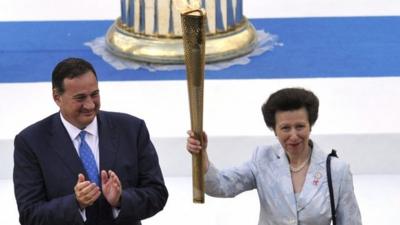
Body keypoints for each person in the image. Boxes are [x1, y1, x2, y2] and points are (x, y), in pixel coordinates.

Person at [13, 57, 168, 225]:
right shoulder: (31, 142)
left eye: (94, 94)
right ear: (57, 98)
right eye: (80, 98)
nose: (89, 105)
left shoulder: (132, 129)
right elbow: (29, 215)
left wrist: (121, 200)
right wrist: (76, 203)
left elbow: (157, 194)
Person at [186, 87, 362, 225]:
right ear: (274, 130)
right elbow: (221, 186)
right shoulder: (262, 159)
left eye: (300, 126)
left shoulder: (337, 171)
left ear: (310, 126)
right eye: (285, 128)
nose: (293, 135)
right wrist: (201, 156)